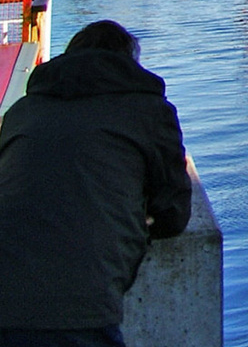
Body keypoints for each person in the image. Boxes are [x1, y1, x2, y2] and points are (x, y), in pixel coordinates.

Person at [0, 20, 191, 345]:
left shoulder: (22, 111)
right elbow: (173, 214)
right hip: (80, 308)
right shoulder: (148, 110)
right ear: (127, 61)